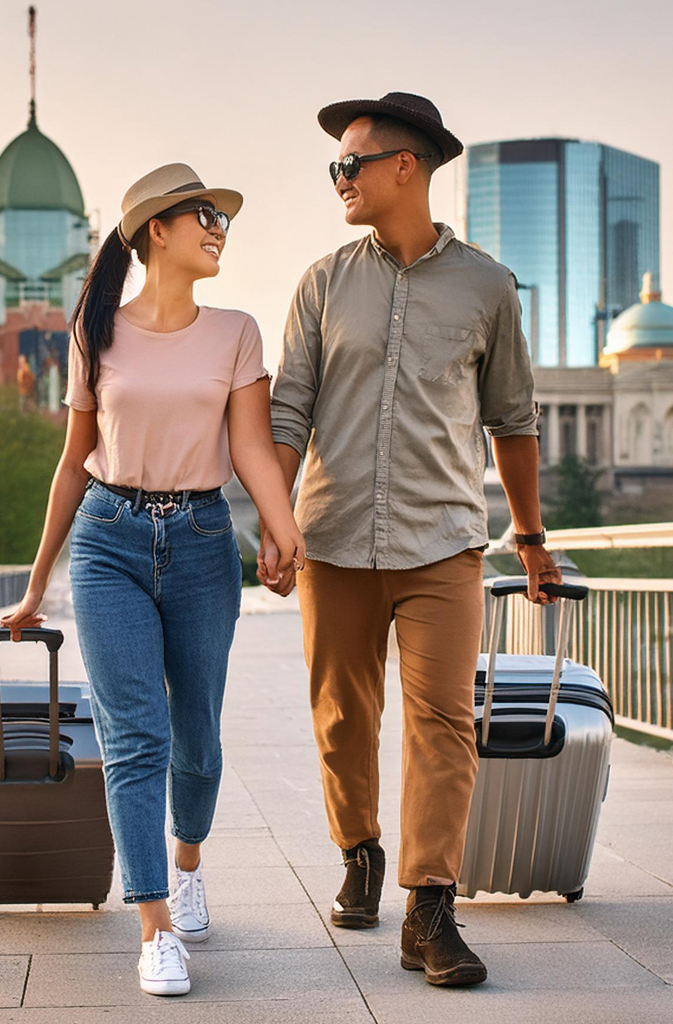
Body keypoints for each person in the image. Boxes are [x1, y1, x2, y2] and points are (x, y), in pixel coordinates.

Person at [258, 93, 561, 987]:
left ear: (407, 167)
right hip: (336, 541)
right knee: (344, 719)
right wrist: (278, 521)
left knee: (442, 725)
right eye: (335, 168)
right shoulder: (321, 282)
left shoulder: (487, 286)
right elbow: (289, 410)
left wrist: (532, 539)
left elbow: (513, 422)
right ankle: (359, 849)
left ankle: (431, 910)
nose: (339, 180)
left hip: (445, 545)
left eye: (351, 164)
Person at [1, 162, 306, 997]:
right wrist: (36, 586)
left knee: (197, 739)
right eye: (202, 214)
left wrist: (287, 538)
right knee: (138, 738)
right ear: (155, 232)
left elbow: (249, 449)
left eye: (222, 217)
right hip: (108, 541)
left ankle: (189, 863)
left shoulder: (237, 331)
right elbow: (72, 465)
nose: (218, 228)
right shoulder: (94, 332)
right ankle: (154, 925)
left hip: (205, 541)